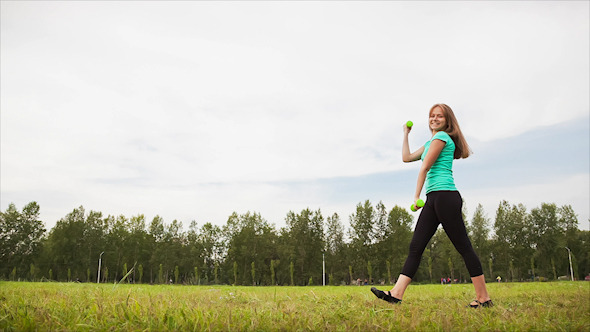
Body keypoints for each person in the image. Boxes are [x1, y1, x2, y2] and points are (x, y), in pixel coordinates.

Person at [371, 104, 493, 308]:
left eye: (439, 116)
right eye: (431, 116)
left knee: (463, 247)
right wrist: (405, 134)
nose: (434, 119)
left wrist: (415, 196)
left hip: (445, 197)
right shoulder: (431, 142)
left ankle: (484, 298)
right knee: (416, 246)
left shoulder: (442, 138)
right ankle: (396, 294)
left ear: (447, 121)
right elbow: (406, 157)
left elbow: (425, 166)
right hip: (434, 199)